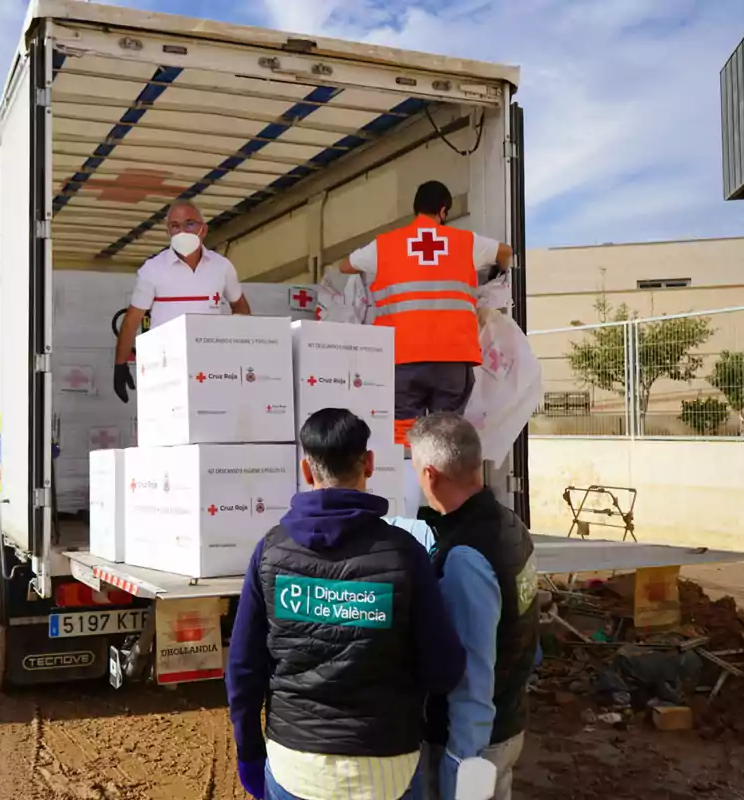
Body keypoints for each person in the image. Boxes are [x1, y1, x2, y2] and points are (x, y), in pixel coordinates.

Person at [226, 408, 466, 800]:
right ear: (369, 463)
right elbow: (443, 670)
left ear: (307, 471)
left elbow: (243, 670)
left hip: (294, 769)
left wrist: (250, 753)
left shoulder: (271, 550)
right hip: (387, 768)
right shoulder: (404, 554)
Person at [388, 413, 539, 800]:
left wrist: (461, 765)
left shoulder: (466, 557)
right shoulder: (510, 525)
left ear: (430, 475)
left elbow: (473, 675)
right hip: (507, 721)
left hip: (473, 741)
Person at [339, 180, 514, 446]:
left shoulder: (385, 245)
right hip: (453, 358)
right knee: (446, 438)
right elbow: (506, 251)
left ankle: (408, 482)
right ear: (443, 211)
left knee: (404, 435)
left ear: (415, 208)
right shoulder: (466, 243)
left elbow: (346, 266)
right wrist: (495, 275)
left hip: (403, 358)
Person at [113, 200, 252, 403]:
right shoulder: (152, 269)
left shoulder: (222, 267)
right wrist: (120, 365)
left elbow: (239, 306)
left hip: (212, 367)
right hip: (165, 367)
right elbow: (132, 320)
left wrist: (244, 348)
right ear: (168, 231)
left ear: (203, 230)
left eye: (189, 224)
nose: (182, 231)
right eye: (175, 226)